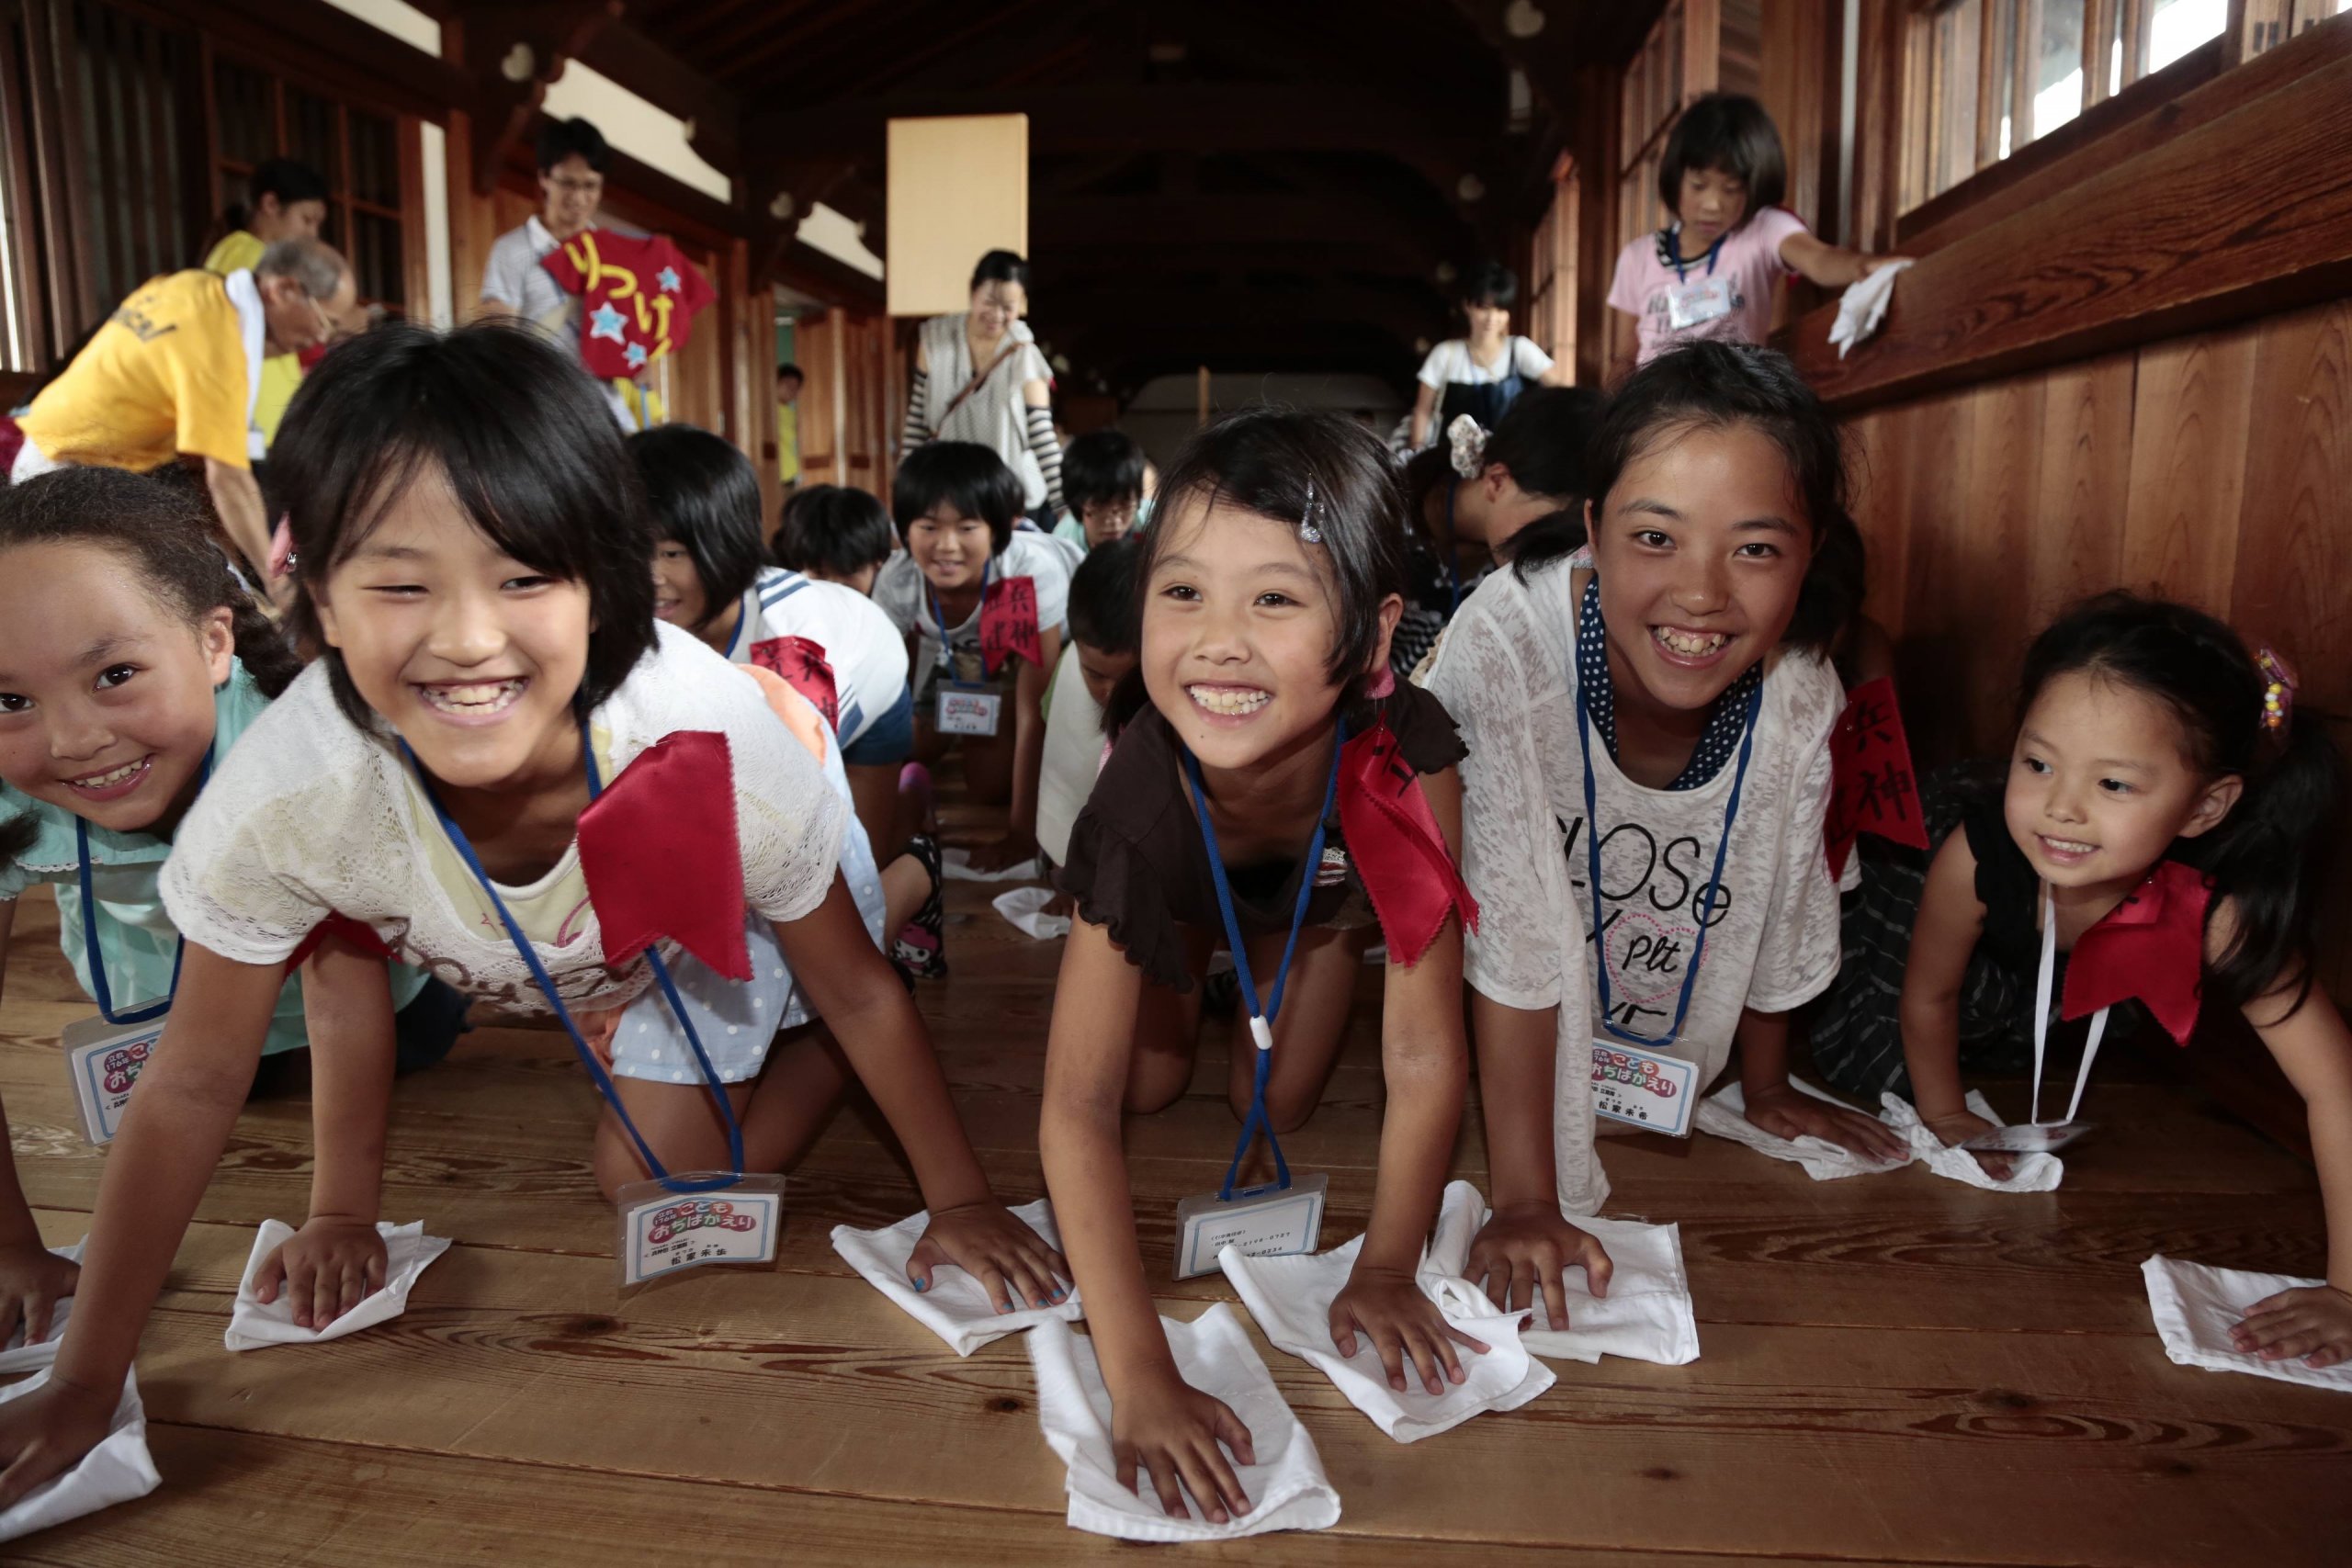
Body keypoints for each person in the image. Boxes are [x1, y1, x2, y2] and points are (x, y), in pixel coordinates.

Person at [0, 323, 1067, 1500]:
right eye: (400, 583)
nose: (465, 638)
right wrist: (88, 1382)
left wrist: (960, 1201)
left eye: (524, 576)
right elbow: (203, 1075)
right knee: (636, 1132)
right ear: (321, 601)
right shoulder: (290, 796)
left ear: (608, 586)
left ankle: (870, 946)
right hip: (574, 949)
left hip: (738, 916)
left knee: (718, 1116)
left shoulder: (712, 743)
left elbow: (852, 982)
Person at [1041, 409, 1482, 1524]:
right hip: (1181, 895)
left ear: (1376, 636)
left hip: (1316, 906)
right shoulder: (1137, 800)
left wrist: (1384, 1267)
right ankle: (1197, 979)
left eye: (1274, 598)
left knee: (1274, 1097)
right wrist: (1137, 1374)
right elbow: (1075, 1109)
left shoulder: (1407, 759)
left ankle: (1270, 970)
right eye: (1181, 592)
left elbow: (1426, 1050)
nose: (1217, 640)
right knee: (1146, 1079)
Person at [1423, 343, 1908, 1325]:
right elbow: (1510, 928)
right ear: (1593, 531)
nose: (1701, 592)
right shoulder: (1504, 648)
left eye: (1757, 549)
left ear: (1808, 554)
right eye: (1657, 538)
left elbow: (1779, 884)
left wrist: (1765, 1085)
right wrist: (1524, 1197)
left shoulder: (1801, 689)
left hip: (1662, 1059)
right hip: (1491, 1031)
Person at [1806, 595, 2352, 1361]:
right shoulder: (1977, 853)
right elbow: (1926, 995)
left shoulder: (2221, 914)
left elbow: (2336, 1087)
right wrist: (1947, 1111)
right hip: (1914, 881)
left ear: (2206, 807)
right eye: (2038, 763)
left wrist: (2348, 1291)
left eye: (2114, 785)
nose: (2061, 808)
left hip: (2051, 970)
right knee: (1864, 1051)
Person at [0, 467, 469, 1330]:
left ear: (216, 644)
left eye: (114, 674)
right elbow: (192, 1078)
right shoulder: (9, 779)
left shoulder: (304, 753)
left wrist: (337, 1213)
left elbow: (342, 1002)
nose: (71, 739)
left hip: (382, 1020)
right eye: (10, 699)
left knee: (416, 1025)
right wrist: (9, 1247)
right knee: (201, 1084)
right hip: (169, 1022)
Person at [631, 422, 927, 910]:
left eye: (672, 553)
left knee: (848, 891)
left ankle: (920, 869)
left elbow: (799, 797)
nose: (650, 577)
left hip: (868, 690)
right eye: (630, 551)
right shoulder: (625, 616)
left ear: (727, 544)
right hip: (749, 741)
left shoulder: (791, 638)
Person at [8, 239, 352, 592]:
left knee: (213, 578)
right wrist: (279, 586)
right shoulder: (218, 345)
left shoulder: (193, 286)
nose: (319, 337)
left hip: (81, 456)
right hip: (65, 471)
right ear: (283, 289)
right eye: (326, 320)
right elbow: (229, 482)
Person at [873, 442, 1069, 875]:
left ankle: (988, 735)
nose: (946, 546)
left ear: (997, 530)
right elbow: (890, 692)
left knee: (988, 788)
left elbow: (1038, 711)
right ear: (904, 529)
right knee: (911, 747)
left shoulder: (1028, 572)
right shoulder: (899, 579)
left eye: (966, 527)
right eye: (927, 527)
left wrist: (1022, 834)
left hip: (1043, 653)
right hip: (961, 655)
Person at [1608, 94, 1905, 371]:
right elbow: (1623, 356)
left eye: (1731, 189)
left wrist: (1859, 266)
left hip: (1734, 398)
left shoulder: (1763, 229)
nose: (1712, 205)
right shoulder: (1638, 256)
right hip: (1656, 403)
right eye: (1698, 186)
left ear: (1753, 188)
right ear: (1675, 178)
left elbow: (1819, 258)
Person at [1394, 385, 1606, 679]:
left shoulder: (1506, 567)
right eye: (1549, 537)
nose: (1561, 561)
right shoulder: (1381, 513)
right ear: (1497, 481)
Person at [478, 116, 652, 432]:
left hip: (605, 412)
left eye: (590, 186)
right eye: (568, 183)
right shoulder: (512, 250)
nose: (579, 197)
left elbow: (632, 333)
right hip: (540, 411)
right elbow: (499, 340)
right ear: (544, 178)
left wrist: (640, 361)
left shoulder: (614, 256)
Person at [901, 251, 1061, 519]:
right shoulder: (934, 340)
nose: (997, 315)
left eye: (1008, 306)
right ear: (972, 291)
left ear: (1021, 303)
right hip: (948, 493)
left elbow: (1042, 435)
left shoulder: (1025, 353)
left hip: (1008, 500)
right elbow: (917, 423)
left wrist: (1064, 504)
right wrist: (903, 490)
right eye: (989, 302)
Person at [202, 158, 333, 455]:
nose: (312, 234)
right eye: (306, 220)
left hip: (267, 420)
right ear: (271, 204)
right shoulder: (249, 254)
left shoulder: (236, 250)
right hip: (254, 420)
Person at [1036, 536, 1142, 870]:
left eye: (1130, 682)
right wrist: (1063, 868)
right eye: (1095, 675)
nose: (1111, 695)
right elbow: (1060, 773)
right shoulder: (1068, 670)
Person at [1406, 262, 1566, 453]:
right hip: (1451, 460)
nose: (1492, 318)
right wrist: (1416, 453)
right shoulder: (1445, 354)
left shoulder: (1520, 350)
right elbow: (1423, 411)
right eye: (1484, 308)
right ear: (1467, 306)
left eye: (1500, 309)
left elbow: (1562, 393)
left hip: (1509, 459)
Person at [773, 482, 897, 597]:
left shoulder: (900, 601)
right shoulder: (794, 600)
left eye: (848, 571)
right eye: (820, 573)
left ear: (878, 564)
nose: (834, 586)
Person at [1052, 429, 1147, 557]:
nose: (1115, 521)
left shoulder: (1155, 521)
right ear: (1077, 504)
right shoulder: (1064, 544)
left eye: (1125, 505)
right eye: (1099, 506)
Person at [775, 362, 804, 489]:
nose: (792, 390)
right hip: (777, 478)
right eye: (787, 384)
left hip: (795, 478)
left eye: (796, 387)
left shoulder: (796, 415)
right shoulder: (768, 414)